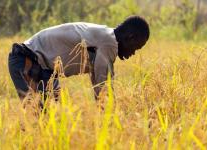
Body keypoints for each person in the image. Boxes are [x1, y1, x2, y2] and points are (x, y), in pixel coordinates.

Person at [8, 15, 150, 101]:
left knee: (49, 118)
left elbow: (98, 84)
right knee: (36, 115)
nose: (133, 54)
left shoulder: (103, 37)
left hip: (43, 69)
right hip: (26, 59)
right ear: (130, 37)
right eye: (136, 48)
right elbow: (104, 87)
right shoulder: (109, 41)